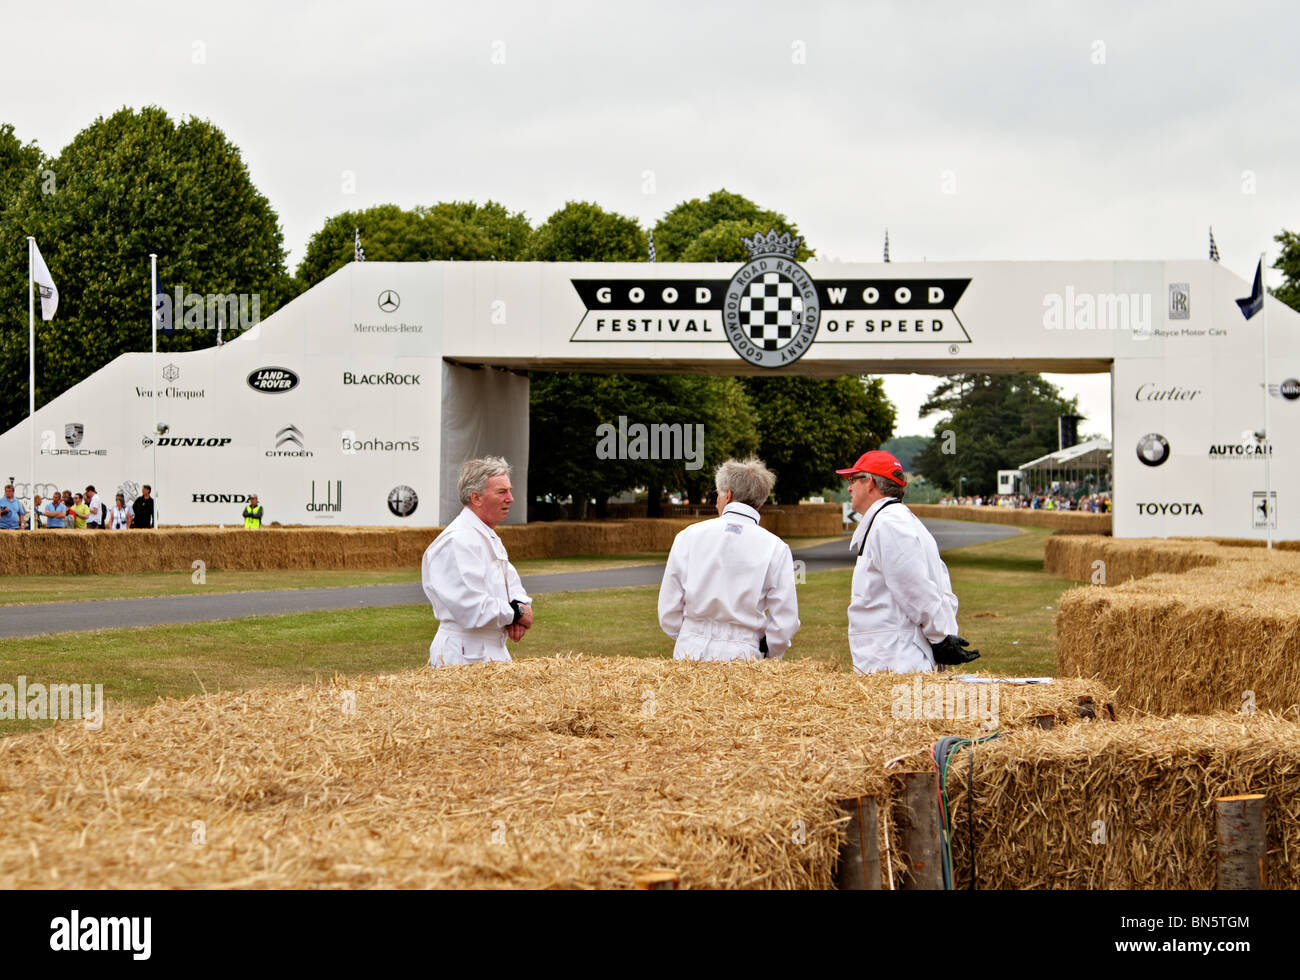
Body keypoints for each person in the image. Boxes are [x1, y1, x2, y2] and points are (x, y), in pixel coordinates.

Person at [839, 450, 978, 674]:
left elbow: (917, 589)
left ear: (870, 482)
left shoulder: (889, 524)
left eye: (853, 479)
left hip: (896, 661)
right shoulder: (896, 520)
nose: (849, 487)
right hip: (895, 656)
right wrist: (942, 635)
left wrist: (941, 638)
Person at [657, 457, 800, 661]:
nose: (716, 501)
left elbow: (669, 608)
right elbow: (785, 620)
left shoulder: (688, 536)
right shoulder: (775, 547)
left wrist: (689, 635)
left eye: (718, 494)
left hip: (690, 651)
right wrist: (770, 651)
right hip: (744, 655)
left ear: (729, 495)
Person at [420, 457, 532, 666]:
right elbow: (472, 609)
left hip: (486, 650)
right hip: (463, 655)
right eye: (502, 492)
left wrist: (519, 606)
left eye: (509, 490)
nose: (510, 498)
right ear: (476, 498)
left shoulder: (484, 536)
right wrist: (517, 613)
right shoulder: (458, 540)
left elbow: (512, 585)